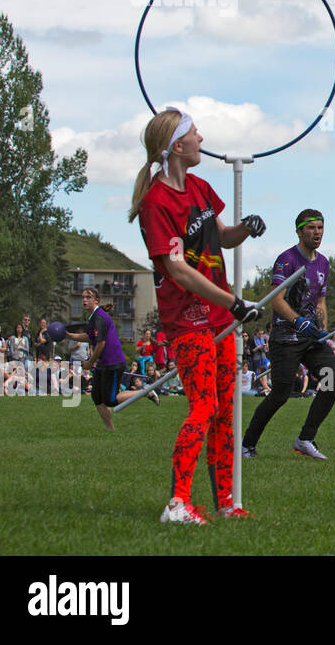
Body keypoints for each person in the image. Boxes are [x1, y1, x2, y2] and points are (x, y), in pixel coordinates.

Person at [131, 107, 267, 524]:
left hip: (220, 317)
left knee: (227, 408)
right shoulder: (156, 202)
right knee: (203, 406)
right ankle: (177, 503)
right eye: (195, 134)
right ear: (176, 145)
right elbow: (177, 270)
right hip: (187, 321)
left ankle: (225, 502)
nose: (202, 140)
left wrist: (245, 228)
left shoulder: (202, 187)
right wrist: (231, 302)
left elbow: (221, 238)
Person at [242, 210, 335, 462]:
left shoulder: (324, 263)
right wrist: (297, 320)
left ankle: (306, 438)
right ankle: (247, 444)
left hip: (311, 339)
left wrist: (323, 328)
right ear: (299, 231)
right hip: (286, 338)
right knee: (280, 395)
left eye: (320, 227)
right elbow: (275, 298)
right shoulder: (287, 260)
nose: (317, 232)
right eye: (311, 228)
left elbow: (320, 300)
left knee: (331, 382)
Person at [64, 287, 159, 427]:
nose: (84, 300)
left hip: (113, 363)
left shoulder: (99, 317)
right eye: (83, 297)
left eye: (88, 297)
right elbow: (92, 337)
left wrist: (90, 362)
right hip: (104, 363)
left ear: (96, 300)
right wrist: (71, 336)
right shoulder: (93, 317)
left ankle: (145, 391)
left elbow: (101, 343)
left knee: (111, 400)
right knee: (97, 397)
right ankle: (110, 430)